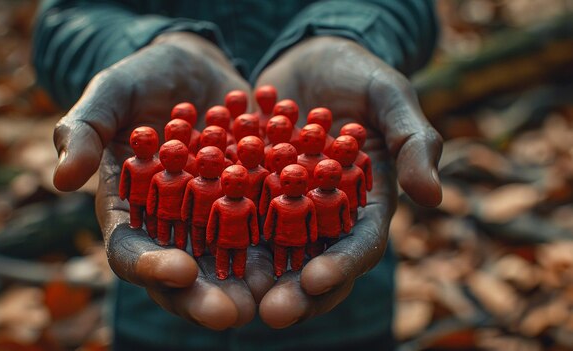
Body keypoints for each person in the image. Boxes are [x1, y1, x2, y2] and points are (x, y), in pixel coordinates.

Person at [33, 1, 443, 350]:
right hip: (156, 315)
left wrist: (350, 36)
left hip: (347, 314)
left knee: (298, 258)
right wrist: (133, 48)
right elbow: (65, 18)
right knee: (179, 240)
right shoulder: (175, 176)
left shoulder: (290, 183)